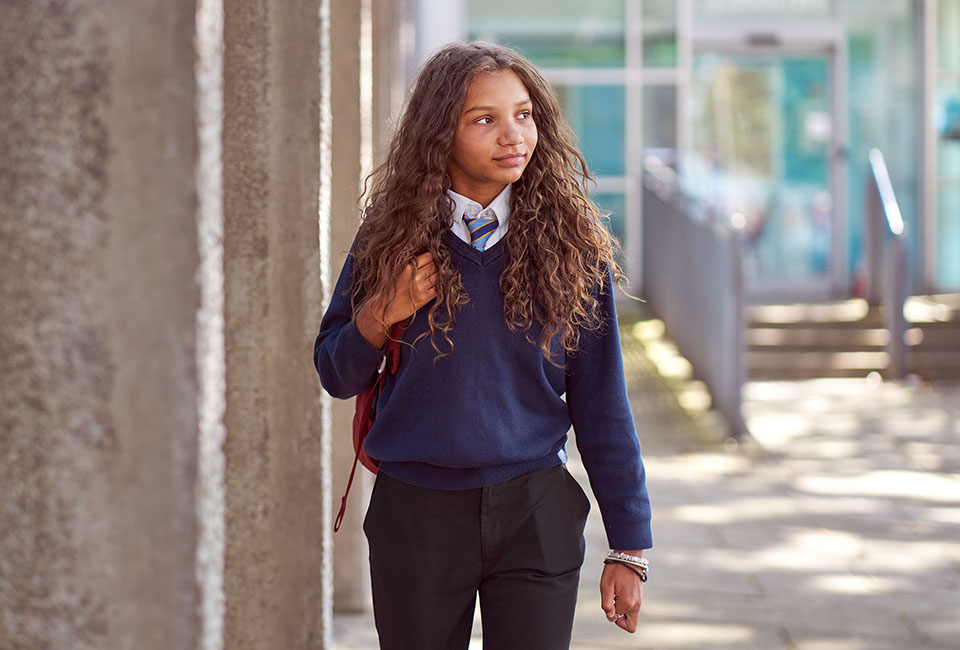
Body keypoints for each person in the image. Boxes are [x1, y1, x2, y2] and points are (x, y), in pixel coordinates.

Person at [313, 41, 652, 650]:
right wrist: (382, 310)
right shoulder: (388, 236)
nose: (512, 135)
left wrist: (629, 544)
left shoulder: (572, 248)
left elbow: (603, 406)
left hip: (535, 510)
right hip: (414, 513)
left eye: (523, 114)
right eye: (484, 119)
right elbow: (336, 372)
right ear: (441, 133)